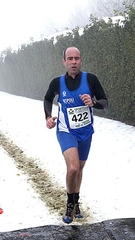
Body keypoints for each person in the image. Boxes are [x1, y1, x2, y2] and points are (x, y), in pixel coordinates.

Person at [44, 47, 108, 224]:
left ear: (81, 60)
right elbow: (48, 98)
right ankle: (70, 203)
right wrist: (48, 117)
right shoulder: (57, 83)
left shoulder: (91, 79)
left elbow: (105, 102)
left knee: (79, 169)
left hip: (85, 132)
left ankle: (76, 201)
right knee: (72, 168)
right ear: (64, 61)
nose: (73, 62)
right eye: (70, 58)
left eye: (76, 58)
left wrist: (93, 103)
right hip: (66, 130)